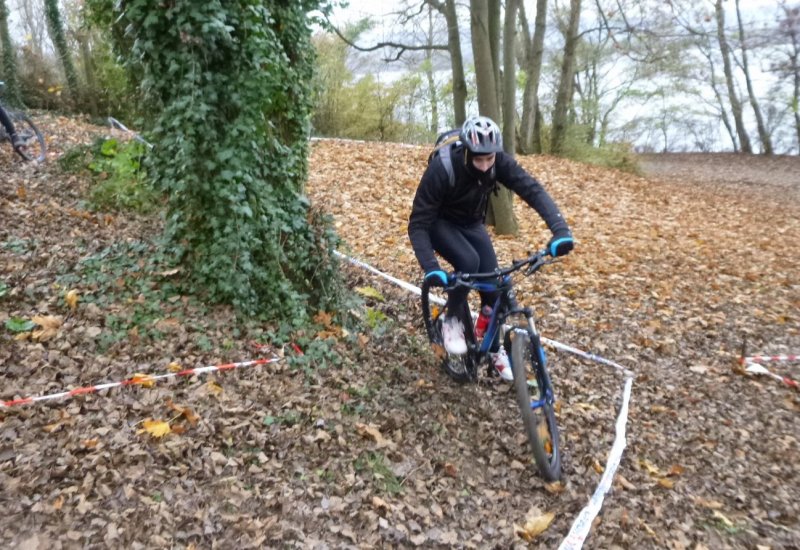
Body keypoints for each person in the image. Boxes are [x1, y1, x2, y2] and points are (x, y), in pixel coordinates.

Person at [408, 115, 574, 381]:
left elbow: (532, 190)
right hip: (439, 223)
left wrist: (560, 230)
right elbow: (417, 224)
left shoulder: (499, 161)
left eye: (490, 159)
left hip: (472, 223)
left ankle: (495, 349)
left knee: (494, 285)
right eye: (478, 160)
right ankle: (451, 321)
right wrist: (431, 267)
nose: (485, 166)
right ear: (466, 153)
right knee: (469, 263)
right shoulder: (443, 168)